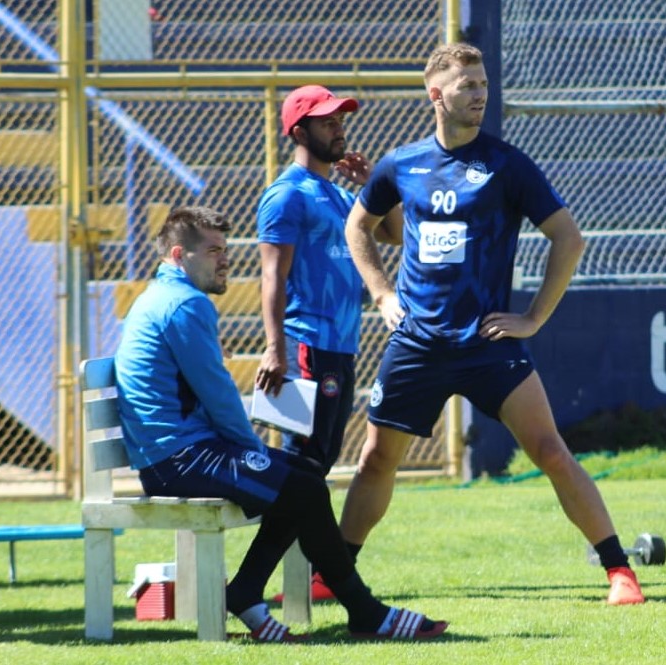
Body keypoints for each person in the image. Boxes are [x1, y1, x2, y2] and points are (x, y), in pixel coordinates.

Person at [339, 43, 646, 606]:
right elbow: (359, 226)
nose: (480, 95)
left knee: (550, 452)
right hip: (417, 343)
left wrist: (532, 319)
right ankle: (333, 576)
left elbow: (569, 239)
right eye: (467, 86)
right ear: (436, 95)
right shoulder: (400, 163)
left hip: (487, 344)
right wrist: (381, 293)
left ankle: (620, 572)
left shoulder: (507, 164)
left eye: (483, 85)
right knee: (376, 459)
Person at [113, 206, 448, 642]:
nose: (225, 259)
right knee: (300, 485)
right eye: (213, 251)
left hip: (175, 455)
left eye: (226, 250)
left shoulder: (164, 298)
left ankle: (250, 593)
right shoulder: (184, 304)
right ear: (179, 255)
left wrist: (261, 462)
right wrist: (255, 452)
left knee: (302, 477)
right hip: (177, 460)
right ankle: (362, 610)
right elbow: (220, 397)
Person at [255, 85, 401, 600]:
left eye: (341, 119)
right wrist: (275, 350)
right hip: (305, 346)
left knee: (314, 470)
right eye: (326, 121)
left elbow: (397, 235)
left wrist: (371, 189)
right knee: (305, 471)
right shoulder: (287, 194)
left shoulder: (341, 194)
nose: (339, 127)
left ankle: (284, 587)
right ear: (299, 132)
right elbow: (272, 277)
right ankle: (275, 586)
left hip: (339, 347)